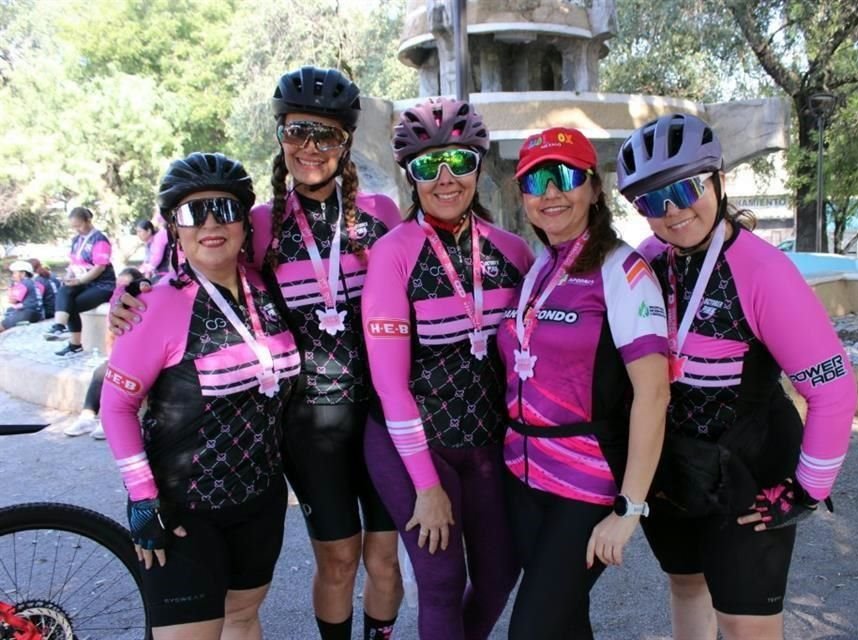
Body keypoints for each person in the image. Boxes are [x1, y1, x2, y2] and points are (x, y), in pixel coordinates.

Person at [109, 66, 405, 640]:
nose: (310, 147)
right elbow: (190, 270)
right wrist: (127, 289)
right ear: (280, 136)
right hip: (306, 425)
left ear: (345, 143)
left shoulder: (381, 216)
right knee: (340, 561)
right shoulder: (261, 223)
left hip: (378, 419)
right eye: (297, 131)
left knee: (386, 561)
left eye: (325, 135)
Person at [615, 113, 858, 640]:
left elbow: (834, 391)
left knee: (745, 624)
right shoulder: (648, 260)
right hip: (674, 470)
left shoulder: (763, 271)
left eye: (687, 188)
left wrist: (806, 492)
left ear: (719, 179)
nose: (675, 211)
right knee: (686, 589)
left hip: (749, 471)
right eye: (654, 201)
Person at [100, 152, 301, 640]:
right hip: (182, 511)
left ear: (244, 222)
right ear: (174, 226)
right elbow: (116, 407)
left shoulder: (265, 288)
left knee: (243, 620)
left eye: (224, 209)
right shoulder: (154, 305)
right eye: (193, 212)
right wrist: (143, 498)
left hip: (260, 501)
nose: (211, 223)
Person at [362, 97, 533, 640]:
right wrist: (426, 487)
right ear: (410, 177)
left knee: (500, 573)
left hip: (485, 445)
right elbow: (390, 385)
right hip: (411, 441)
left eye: (458, 162)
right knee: (439, 579)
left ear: (478, 166)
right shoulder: (393, 253)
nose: (444, 179)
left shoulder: (513, 251)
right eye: (426, 167)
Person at [498, 127, 670, 639]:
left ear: (594, 188)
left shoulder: (623, 270)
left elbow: (653, 394)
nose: (551, 193)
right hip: (523, 477)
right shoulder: (539, 269)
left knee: (530, 631)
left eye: (566, 176)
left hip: (586, 483)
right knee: (566, 625)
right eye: (536, 180)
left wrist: (629, 507)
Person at [64, 267, 143, 439]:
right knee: (101, 372)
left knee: (115, 374)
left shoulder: (144, 306)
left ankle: (107, 420)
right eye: (118, 286)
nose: (120, 290)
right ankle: (87, 417)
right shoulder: (116, 307)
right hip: (123, 357)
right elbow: (111, 339)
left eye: (126, 286)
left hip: (144, 359)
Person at [43, 206, 116, 355]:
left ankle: (74, 344)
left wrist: (80, 281)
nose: (77, 229)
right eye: (74, 227)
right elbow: (74, 263)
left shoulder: (100, 240)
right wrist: (69, 277)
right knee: (64, 290)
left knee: (72, 305)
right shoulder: (76, 240)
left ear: (88, 221)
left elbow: (99, 267)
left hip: (102, 285)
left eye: (79, 225)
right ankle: (59, 327)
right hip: (83, 282)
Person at [1, 260, 44, 331]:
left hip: (26, 312)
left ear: (23, 273)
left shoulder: (23, 284)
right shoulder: (34, 283)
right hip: (38, 313)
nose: (13, 275)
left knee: (2, 326)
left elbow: (13, 300)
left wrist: (11, 288)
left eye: (15, 273)